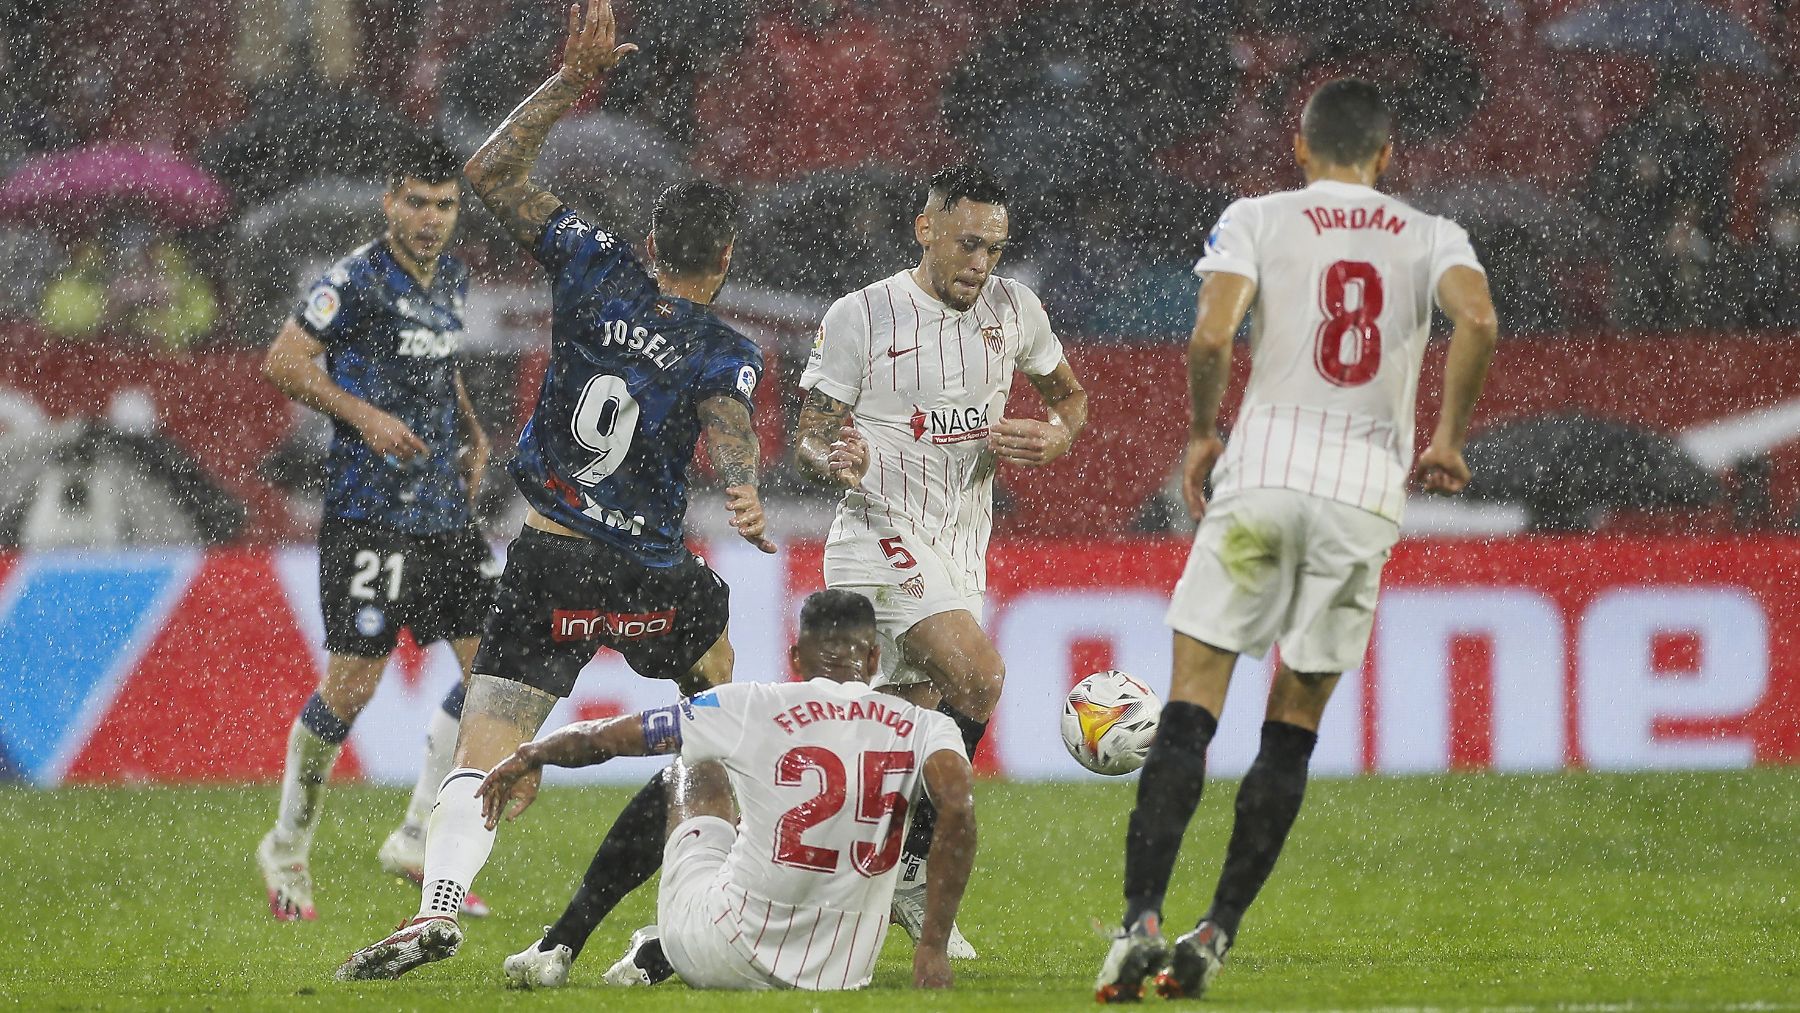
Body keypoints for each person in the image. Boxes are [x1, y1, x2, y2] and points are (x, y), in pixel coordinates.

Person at [336, 0, 773, 980]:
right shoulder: (725, 348)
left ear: (655, 241)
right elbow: (731, 426)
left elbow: (487, 172)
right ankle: (705, 905)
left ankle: (441, 902)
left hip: (549, 553)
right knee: (724, 719)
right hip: (650, 568)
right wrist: (741, 494)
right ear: (726, 257)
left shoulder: (596, 265)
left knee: (487, 754)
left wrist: (569, 84)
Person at [1094, 78, 1499, 1002]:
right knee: (1292, 725)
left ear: (1301, 146)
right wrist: (1446, 438)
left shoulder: (1260, 217)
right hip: (1362, 495)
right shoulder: (1433, 233)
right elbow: (1476, 319)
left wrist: (1203, 432)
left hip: (1263, 475)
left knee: (1194, 703)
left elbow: (1210, 335)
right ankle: (1217, 929)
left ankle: (1141, 920)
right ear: (1387, 155)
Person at [792, 162, 1089, 957]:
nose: (980, 264)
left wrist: (1058, 436)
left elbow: (1070, 397)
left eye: (994, 248)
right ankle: (912, 866)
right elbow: (810, 431)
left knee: (906, 735)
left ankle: (806, 893)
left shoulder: (1014, 310)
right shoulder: (862, 315)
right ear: (926, 230)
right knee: (981, 676)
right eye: (967, 244)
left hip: (961, 546)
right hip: (878, 534)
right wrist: (834, 457)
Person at [476, 589, 978, 991]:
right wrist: (931, 948)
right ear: (872, 660)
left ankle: (560, 945)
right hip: (842, 972)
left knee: (693, 764)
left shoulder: (750, 706)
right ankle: (657, 948)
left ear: (796, 657)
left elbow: (610, 737)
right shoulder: (923, 727)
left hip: (727, 951)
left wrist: (530, 754)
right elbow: (957, 809)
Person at [254, 132, 497, 923]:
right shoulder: (352, 280)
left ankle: (417, 836)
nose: (431, 219)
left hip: (443, 513)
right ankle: (287, 842)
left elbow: (442, 362)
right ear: (389, 202)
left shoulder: (453, 279)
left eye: (445, 205)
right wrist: (367, 417)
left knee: (492, 677)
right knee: (354, 684)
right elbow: (285, 361)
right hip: (369, 516)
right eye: (417, 203)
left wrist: (471, 430)